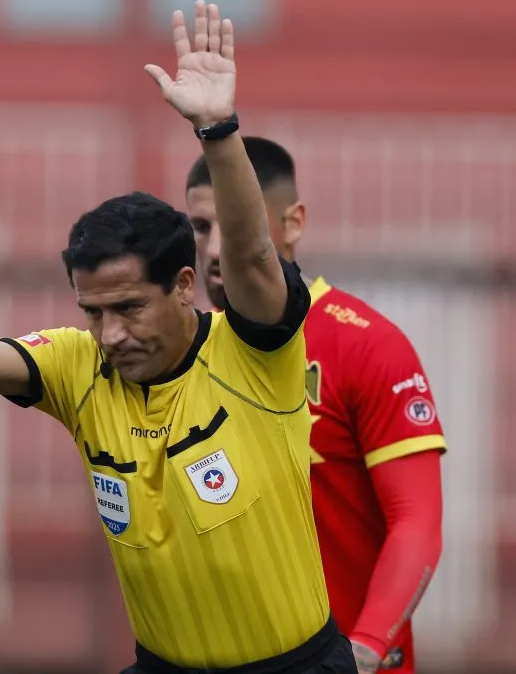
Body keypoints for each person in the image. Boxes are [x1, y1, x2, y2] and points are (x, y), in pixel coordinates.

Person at [0, 2, 357, 674]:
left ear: (185, 284)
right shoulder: (78, 366)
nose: (111, 334)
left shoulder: (255, 353)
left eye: (130, 307)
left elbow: (254, 259)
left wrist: (217, 129)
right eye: (93, 311)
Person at [185, 137, 445, 674]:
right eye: (201, 226)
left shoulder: (366, 345)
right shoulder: (183, 352)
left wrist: (366, 648)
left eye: (237, 223)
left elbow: (416, 519)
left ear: (293, 223)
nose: (215, 250)